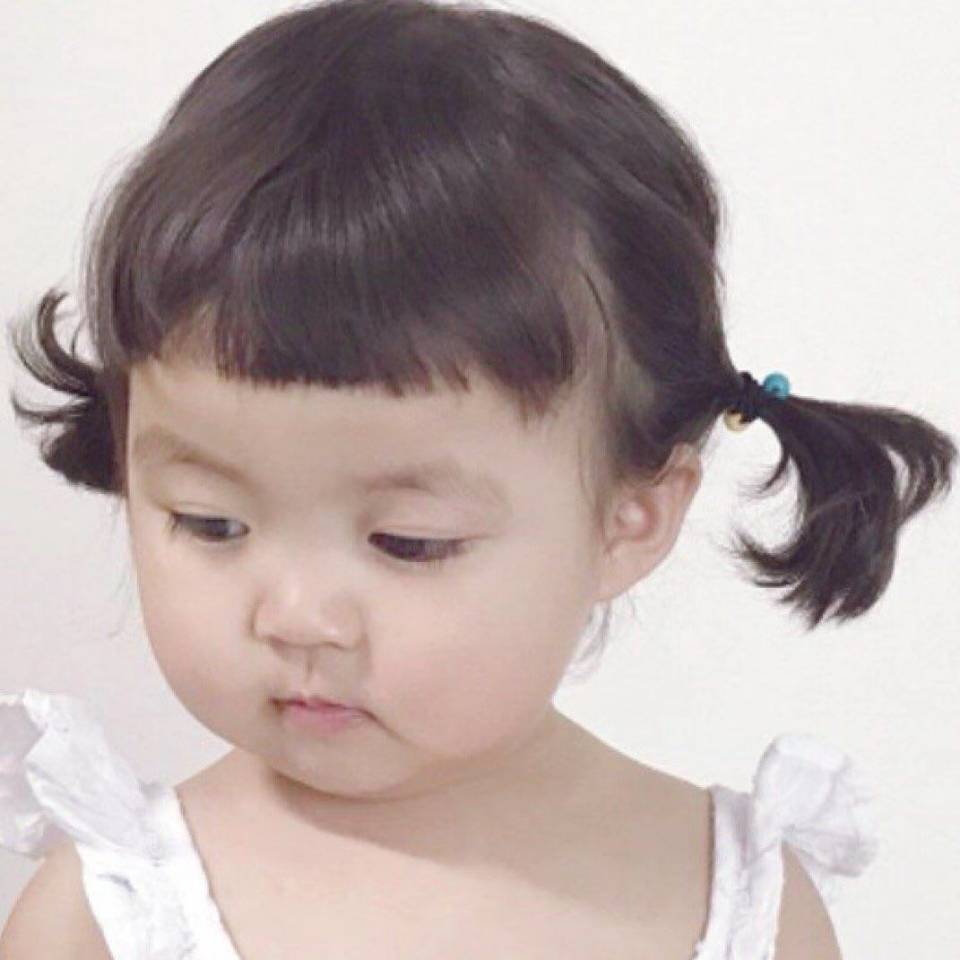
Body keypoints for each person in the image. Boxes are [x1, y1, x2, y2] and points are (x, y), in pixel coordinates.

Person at [0, 0, 954, 957]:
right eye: (211, 523)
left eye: (407, 542)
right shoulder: (108, 913)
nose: (296, 617)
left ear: (629, 519)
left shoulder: (738, 901)